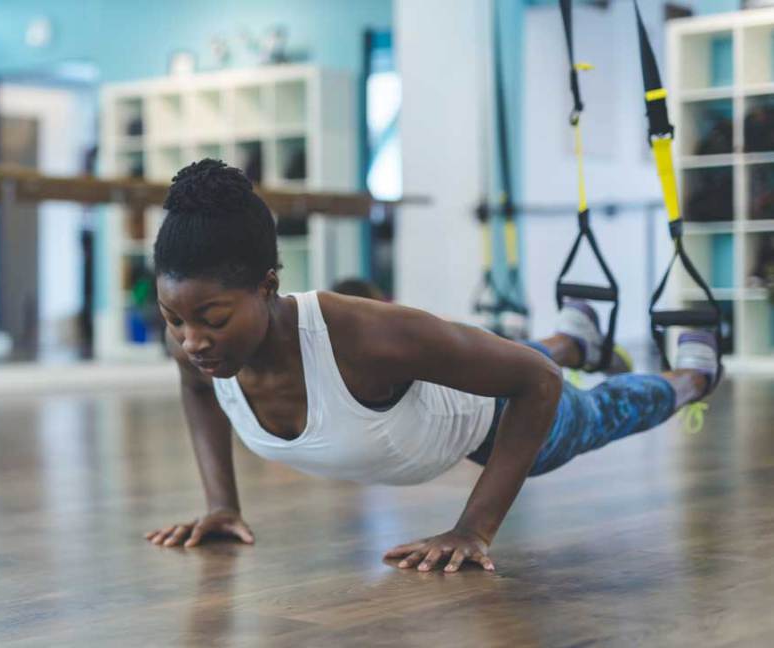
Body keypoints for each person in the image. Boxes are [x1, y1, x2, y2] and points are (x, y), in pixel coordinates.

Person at [144, 159, 718, 573]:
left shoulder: (364, 335)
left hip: (492, 416)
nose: (192, 341)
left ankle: (693, 373)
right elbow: (198, 393)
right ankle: (574, 336)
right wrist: (222, 505)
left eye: (213, 319)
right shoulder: (197, 347)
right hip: (443, 387)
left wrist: (474, 530)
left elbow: (534, 383)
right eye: (174, 320)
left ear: (268, 285)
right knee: (514, 357)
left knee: (594, 410)